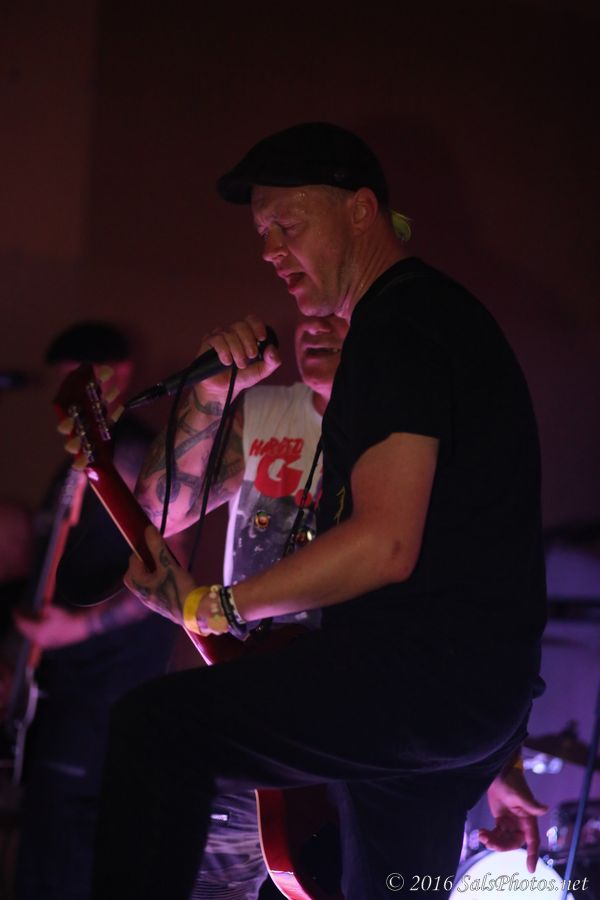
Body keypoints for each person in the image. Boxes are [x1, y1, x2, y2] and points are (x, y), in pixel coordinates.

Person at [91, 123, 548, 900]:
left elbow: (386, 545)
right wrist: (208, 392)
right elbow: (462, 550)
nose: (270, 249)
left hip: (415, 686)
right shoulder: (434, 321)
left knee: (154, 728)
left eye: (287, 224)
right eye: (262, 233)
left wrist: (210, 606)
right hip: (466, 704)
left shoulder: (400, 324)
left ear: (361, 210)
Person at [11, 321, 179, 900]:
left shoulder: (129, 456)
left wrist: (74, 630)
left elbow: (167, 579)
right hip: (65, 690)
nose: (65, 400)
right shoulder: (82, 458)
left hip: (106, 693)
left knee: (70, 857)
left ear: (118, 374)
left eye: (75, 384)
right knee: (41, 843)